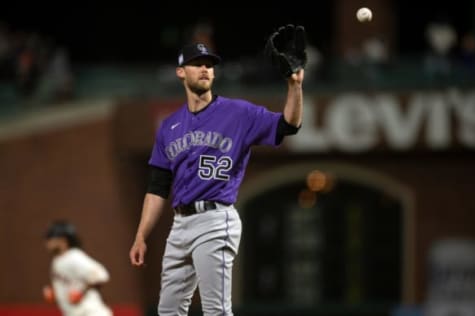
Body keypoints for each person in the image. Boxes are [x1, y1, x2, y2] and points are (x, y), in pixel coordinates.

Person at [129, 42, 304, 316]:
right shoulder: (169, 126)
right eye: (197, 63)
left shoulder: (239, 113)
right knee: (168, 311)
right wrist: (141, 235)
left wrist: (294, 86)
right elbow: (157, 188)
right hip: (179, 224)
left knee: (216, 311)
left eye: (209, 65)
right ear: (180, 72)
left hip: (215, 219)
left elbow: (288, 125)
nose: (204, 69)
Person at [43, 220, 113, 316]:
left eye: (51, 238)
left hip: (91, 313)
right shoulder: (57, 260)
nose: (48, 242)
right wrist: (55, 292)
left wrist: (81, 292)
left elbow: (102, 275)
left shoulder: (74, 256)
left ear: (63, 240)